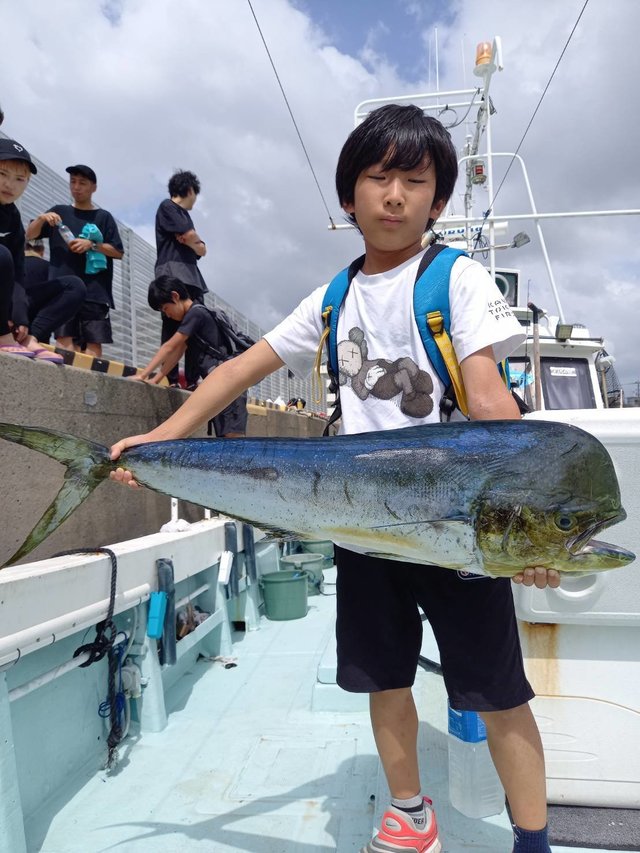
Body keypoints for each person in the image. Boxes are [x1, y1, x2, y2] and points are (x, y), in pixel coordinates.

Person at [110, 104, 560, 853]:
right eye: (377, 177)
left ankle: (532, 839)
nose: (394, 195)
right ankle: (411, 813)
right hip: (363, 524)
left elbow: (490, 403)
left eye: (414, 181)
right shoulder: (332, 296)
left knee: (499, 692)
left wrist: (531, 526)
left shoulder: (458, 277)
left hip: (455, 525)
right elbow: (236, 371)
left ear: (438, 201)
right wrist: (155, 439)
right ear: (348, 196)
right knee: (384, 678)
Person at [25, 164, 124, 358]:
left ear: (94, 187)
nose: (76, 187)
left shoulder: (103, 217)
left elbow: (118, 252)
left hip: (96, 291)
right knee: (64, 340)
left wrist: (92, 245)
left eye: (82, 183)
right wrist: (41, 218)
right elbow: (29, 235)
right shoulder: (58, 212)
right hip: (63, 288)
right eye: (73, 182)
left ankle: (89, 387)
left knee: (93, 344)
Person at [132, 275, 248, 437]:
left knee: (232, 437)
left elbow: (170, 347)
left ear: (175, 296)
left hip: (227, 381)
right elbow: (177, 353)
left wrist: (143, 375)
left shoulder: (196, 314)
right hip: (221, 383)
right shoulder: (194, 319)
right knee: (227, 437)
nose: (167, 315)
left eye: (165, 308)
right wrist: (156, 378)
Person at [0, 137, 60, 361]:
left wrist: (20, 317)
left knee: (72, 286)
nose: (10, 184)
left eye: (19, 179)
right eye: (2, 174)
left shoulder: (13, 216)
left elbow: (17, 273)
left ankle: (27, 337)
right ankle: (2, 335)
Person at [154, 169, 208, 387]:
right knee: (171, 328)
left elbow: (200, 249)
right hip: (173, 274)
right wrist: (195, 242)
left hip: (190, 277)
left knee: (196, 330)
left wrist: (194, 242)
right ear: (189, 190)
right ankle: (172, 378)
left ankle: (192, 380)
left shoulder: (183, 215)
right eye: (195, 194)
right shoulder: (168, 207)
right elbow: (191, 236)